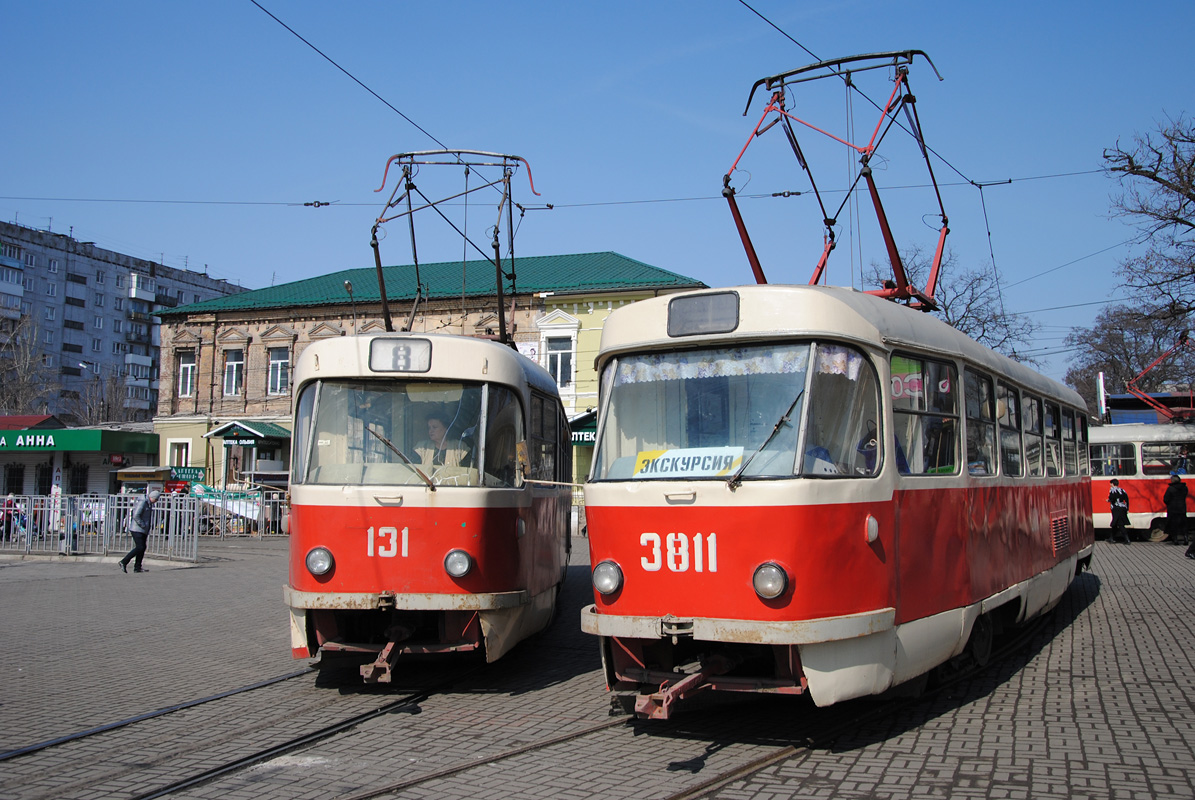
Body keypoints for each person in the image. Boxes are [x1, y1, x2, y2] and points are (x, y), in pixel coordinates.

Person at [119, 489, 160, 573]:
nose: (156, 501)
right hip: (137, 529)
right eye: (156, 499)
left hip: (143, 530)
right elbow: (136, 515)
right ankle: (124, 561)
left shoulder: (149, 504)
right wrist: (142, 525)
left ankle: (137, 567)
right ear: (152, 497)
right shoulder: (143, 502)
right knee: (140, 547)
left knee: (142, 547)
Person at [1162, 473, 1189, 549]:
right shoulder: (1185, 488)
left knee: (1174, 525)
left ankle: (1176, 540)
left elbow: (1166, 499)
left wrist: (1169, 503)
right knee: (1184, 524)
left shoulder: (1170, 489)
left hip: (1173, 509)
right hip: (1182, 508)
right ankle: (1186, 538)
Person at [1108, 479, 1131, 545]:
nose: (1110, 485)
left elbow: (1112, 497)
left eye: (1111, 483)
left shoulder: (1112, 490)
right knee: (1115, 524)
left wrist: (1109, 500)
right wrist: (1127, 508)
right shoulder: (1122, 490)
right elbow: (1126, 499)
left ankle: (1127, 539)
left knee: (1120, 524)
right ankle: (1111, 538)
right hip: (1123, 508)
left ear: (1113, 484)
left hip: (1116, 509)